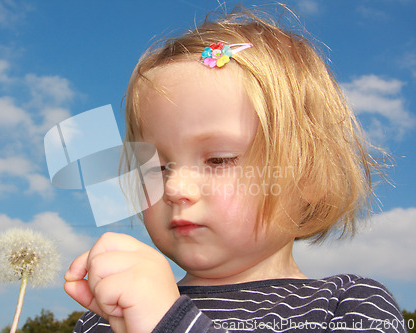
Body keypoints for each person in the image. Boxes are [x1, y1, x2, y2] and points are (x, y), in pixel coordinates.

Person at [63, 6, 406, 333]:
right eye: (159, 167)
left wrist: (170, 322)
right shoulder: (106, 317)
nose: (175, 187)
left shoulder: (349, 307)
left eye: (218, 160)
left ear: (308, 176)